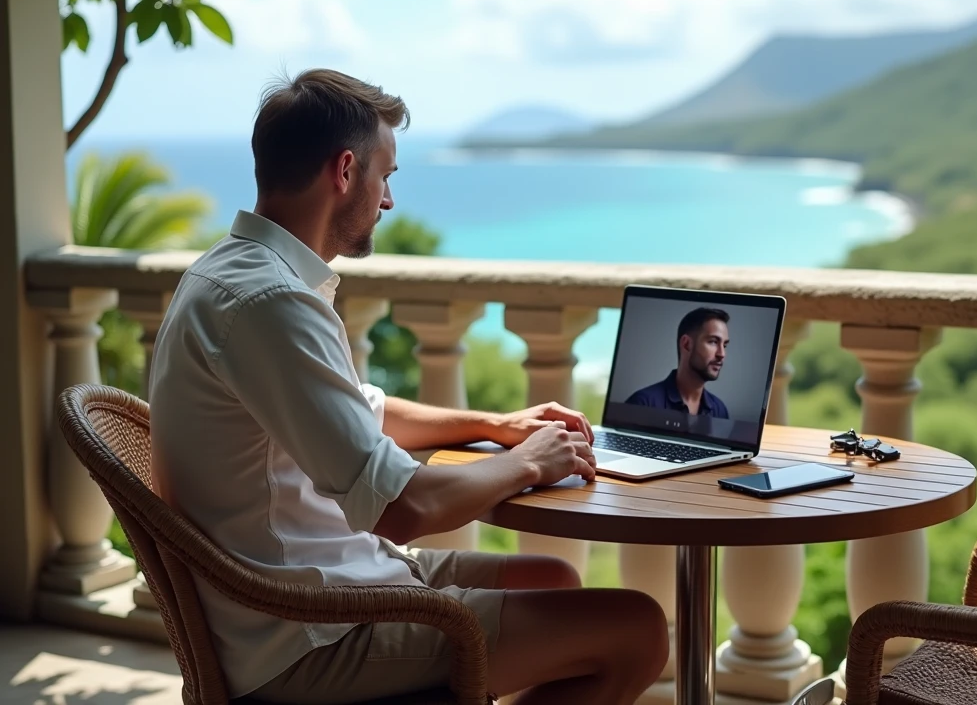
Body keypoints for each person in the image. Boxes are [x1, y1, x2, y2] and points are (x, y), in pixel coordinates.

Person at [148, 69, 668, 705]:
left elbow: (364, 413)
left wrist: (492, 426)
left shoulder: (235, 274)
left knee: (553, 578)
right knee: (638, 629)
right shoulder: (269, 301)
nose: (389, 200)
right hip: (306, 632)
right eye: (385, 176)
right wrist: (525, 464)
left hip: (325, 578)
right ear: (345, 171)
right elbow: (402, 508)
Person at [624, 307, 731, 418]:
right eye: (713, 342)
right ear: (686, 344)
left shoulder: (720, 410)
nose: (722, 354)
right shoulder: (642, 404)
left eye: (725, 345)